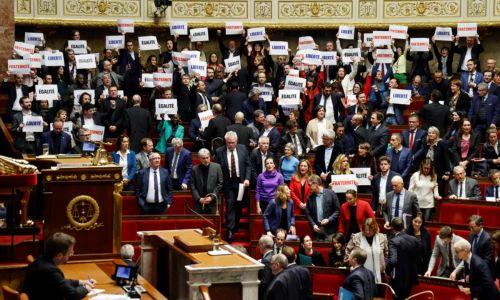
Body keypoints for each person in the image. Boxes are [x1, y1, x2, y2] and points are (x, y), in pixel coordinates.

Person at [22, 232, 95, 300]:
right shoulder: (50, 271)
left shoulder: (42, 259)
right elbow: (73, 295)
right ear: (59, 255)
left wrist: (81, 282)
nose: (72, 254)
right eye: (70, 252)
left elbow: (60, 282)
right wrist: (87, 288)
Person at [215, 131, 251, 241]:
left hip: (241, 182)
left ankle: (235, 225)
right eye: (229, 142)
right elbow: (217, 168)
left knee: (239, 204)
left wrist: (247, 178)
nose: (231, 145)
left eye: (233, 142)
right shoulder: (219, 151)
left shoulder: (243, 149)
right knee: (230, 204)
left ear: (237, 141)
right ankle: (230, 229)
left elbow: (248, 165)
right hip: (228, 183)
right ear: (225, 141)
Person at [386, 217, 420, 300]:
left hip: (398, 278)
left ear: (392, 228)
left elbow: (393, 260)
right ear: (403, 226)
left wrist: (387, 271)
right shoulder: (414, 240)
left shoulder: (393, 241)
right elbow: (418, 258)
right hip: (411, 276)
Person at [345, 218, 388, 283]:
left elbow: (386, 254)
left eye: (370, 230)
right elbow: (347, 252)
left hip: (378, 274)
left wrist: (383, 266)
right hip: (359, 274)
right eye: (365, 230)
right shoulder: (356, 237)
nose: (367, 232)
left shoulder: (381, 238)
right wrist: (351, 265)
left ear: (375, 229)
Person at [305, 175, 340, 241]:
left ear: (316, 184)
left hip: (330, 230)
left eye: (310, 185)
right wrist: (313, 225)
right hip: (317, 230)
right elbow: (308, 214)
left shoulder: (331, 193)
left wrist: (329, 219)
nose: (308, 187)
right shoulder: (310, 197)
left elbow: (337, 210)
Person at [190, 148, 223, 214]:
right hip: (200, 202)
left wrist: (212, 197)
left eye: (207, 157)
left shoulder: (217, 167)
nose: (206, 160)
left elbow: (220, 184)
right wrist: (199, 199)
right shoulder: (194, 169)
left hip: (213, 202)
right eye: (203, 158)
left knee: (213, 223)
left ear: (210, 157)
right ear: (199, 158)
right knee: (199, 223)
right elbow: (192, 186)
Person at [258, 235, 274, 300]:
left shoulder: (266, 260)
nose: (259, 247)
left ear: (263, 245)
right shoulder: (273, 254)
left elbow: (265, 282)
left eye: (259, 244)